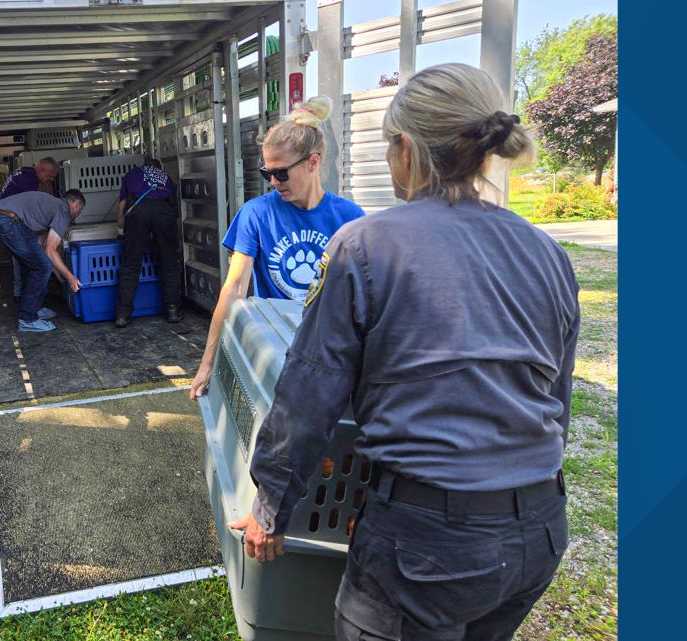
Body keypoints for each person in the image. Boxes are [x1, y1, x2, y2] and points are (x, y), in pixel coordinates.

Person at [226, 63, 580, 641]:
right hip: (538, 531)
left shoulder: (366, 246)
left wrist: (270, 508)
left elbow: (310, 389)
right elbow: (554, 397)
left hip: (425, 545)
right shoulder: (547, 252)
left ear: (407, 150)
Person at [190, 96, 365, 398]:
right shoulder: (256, 214)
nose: (273, 182)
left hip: (327, 348)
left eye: (281, 173)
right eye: (267, 173)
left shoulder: (349, 217)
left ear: (313, 162)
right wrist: (208, 362)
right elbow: (233, 289)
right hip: (274, 342)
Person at [0, 190, 86, 333]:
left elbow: (41, 249)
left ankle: (32, 308)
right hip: (8, 221)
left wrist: (59, 274)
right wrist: (70, 277)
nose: (77, 214)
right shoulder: (63, 211)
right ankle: (27, 319)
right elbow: (50, 251)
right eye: (80, 211)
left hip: (2, 218)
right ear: (76, 206)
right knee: (42, 267)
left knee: (33, 264)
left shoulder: (50, 207)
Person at [114, 159, 184, 327]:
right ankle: (173, 310)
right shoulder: (166, 176)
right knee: (169, 263)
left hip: (139, 211)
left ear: (144, 166)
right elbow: (175, 208)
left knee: (131, 263)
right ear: (158, 168)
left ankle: (123, 314)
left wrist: (121, 231)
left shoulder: (132, 173)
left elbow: (122, 205)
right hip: (164, 212)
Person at [0, 158, 62, 300]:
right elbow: (29, 209)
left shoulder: (23, 172)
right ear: (41, 170)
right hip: (10, 221)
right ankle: (28, 302)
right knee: (30, 261)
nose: (51, 180)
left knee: (20, 260)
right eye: (50, 176)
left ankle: (19, 294)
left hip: (6, 220)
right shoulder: (29, 180)